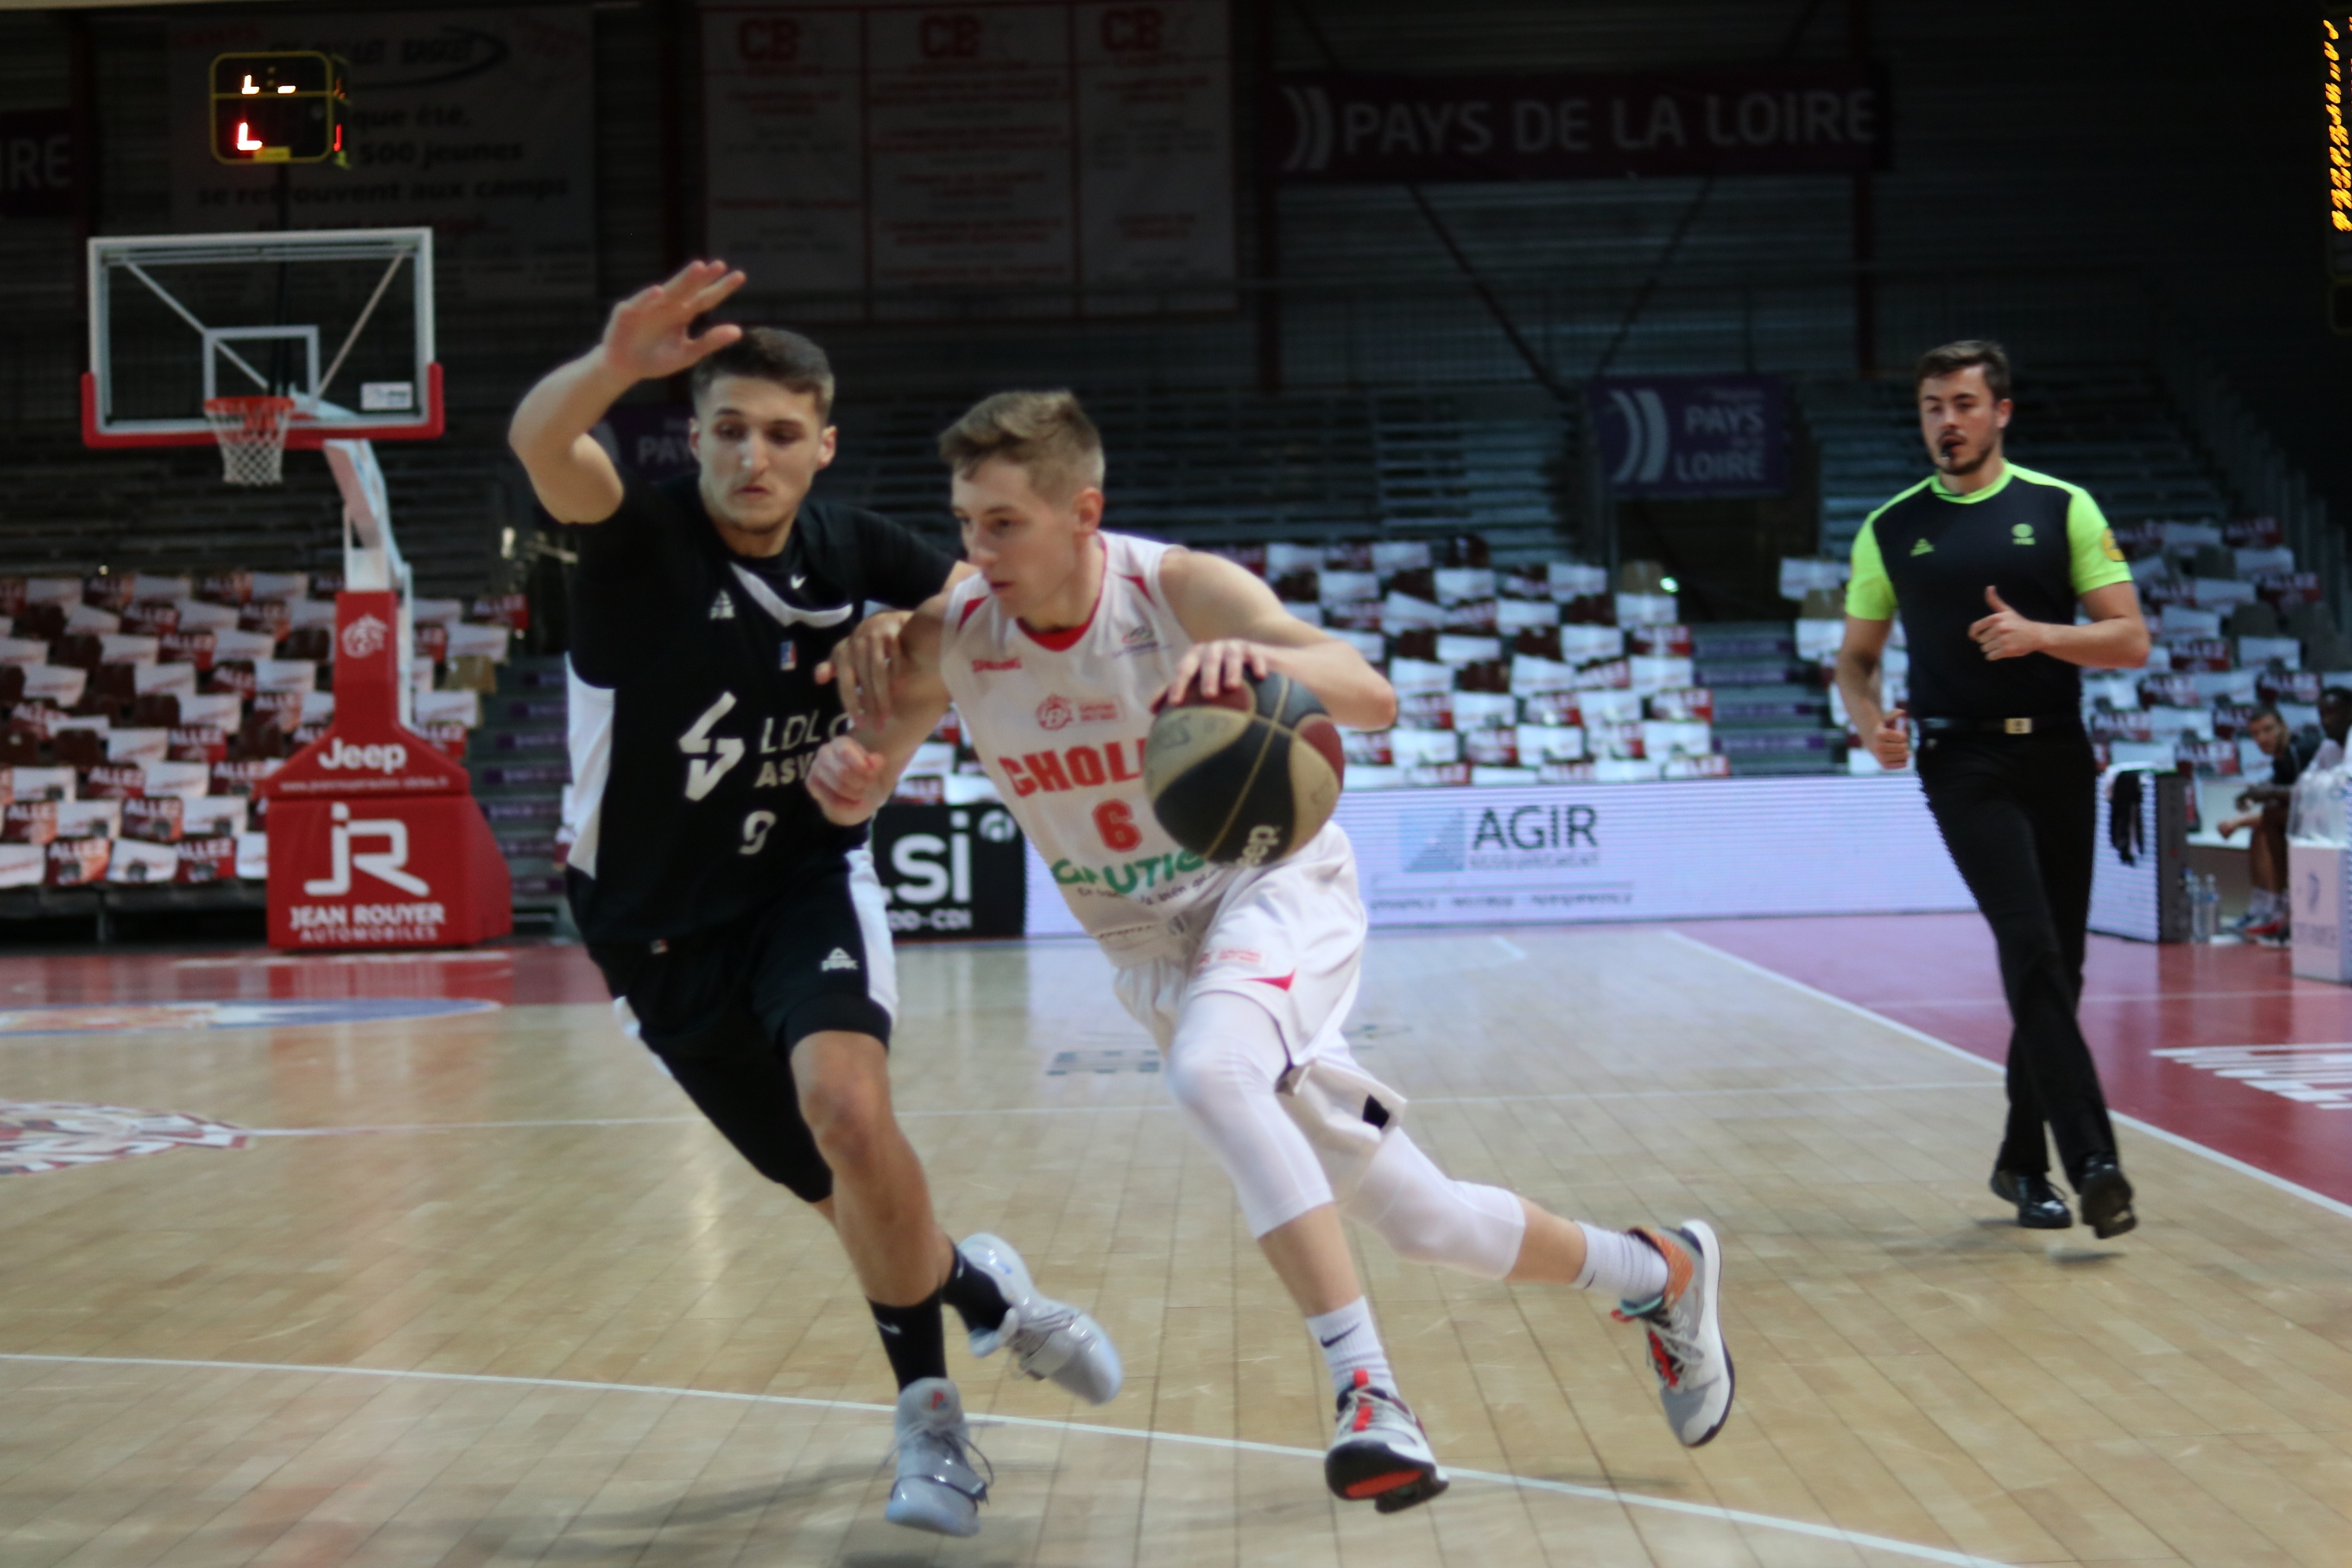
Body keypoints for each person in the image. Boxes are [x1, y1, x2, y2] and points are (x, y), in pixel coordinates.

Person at [806, 390, 1735, 1515]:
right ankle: (1660, 1271)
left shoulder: (1180, 590)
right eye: (966, 524)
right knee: (1424, 1220)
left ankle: (1369, 1394)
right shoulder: (956, 634)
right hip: (1148, 948)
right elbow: (872, 761)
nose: (975, 549)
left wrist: (1256, 661)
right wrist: (852, 777)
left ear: (1082, 512)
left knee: (1212, 1072)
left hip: (1270, 883)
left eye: (1004, 523)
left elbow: (1375, 695)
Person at [507, 264, 1120, 1540]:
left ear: (821, 446)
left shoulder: (856, 550)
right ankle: (986, 1290)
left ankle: (931, 1414)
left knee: (848, 1109)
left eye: (783, 433)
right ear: (696, 434)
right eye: (728, 427)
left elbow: (972, 606)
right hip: (650, 932)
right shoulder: (634, 543)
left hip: (800, 879)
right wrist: (616, 360)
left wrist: (898, 679)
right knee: (849, 1201)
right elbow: (542, 441)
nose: (753, 453)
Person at [1835, 339, 2150, 1240]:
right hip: (1961, 762)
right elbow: (1855, 662)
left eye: (1965, 404)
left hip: (2057, 754)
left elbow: (2129, 639)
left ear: (2000, 412)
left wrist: (2040, 635)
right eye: (1934, 405)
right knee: (2030, 944)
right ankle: (2094, 1160)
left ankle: (2020, 1162)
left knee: (2061, 967)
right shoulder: (1890, 527)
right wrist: (1872, 726)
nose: (1948, 421)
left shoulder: (2062, 508)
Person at [2215, 706, 2313, 940]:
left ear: (2284, 726)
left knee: (2268, 819)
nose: (2263, 738)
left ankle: (2279, 905)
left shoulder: (2301, 751)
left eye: (2268, 730)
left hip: (2329, 821)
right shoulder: (2280, 761)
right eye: (2256, 734)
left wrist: (2238, 820)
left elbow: (2305, 799)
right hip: (2306, 820)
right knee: (2262, 826)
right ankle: (2263, 907)